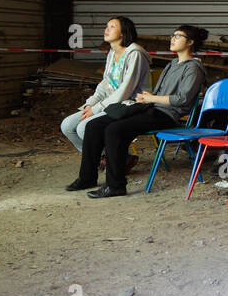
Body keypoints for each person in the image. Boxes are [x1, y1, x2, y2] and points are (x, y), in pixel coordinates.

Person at [68, 25, 209, 198]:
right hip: (150, 108)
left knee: (114, 130)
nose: (172, 39)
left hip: (166, 115)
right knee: (94, 125)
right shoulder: (172, 64)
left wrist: (151, 99)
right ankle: (87, 177)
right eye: (172, 35)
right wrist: (145, 99)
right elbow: (156, 94)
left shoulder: (193, 68)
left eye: (178, 36)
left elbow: (183, 99)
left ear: (190, 42)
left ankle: (116, 185)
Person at [60, 17, 150, 152]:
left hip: (130, 104)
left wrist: (97, 109)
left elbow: (125, 91)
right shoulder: (112, 53)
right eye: (107, 26)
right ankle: (106, 157)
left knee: (83, 128)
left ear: (123, 32)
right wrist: (91, 103)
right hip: (110, 104)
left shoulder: (135, 54)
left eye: (112, 26)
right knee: (67, 125)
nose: (106, 29)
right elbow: (106, 83)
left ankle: (118, 159)